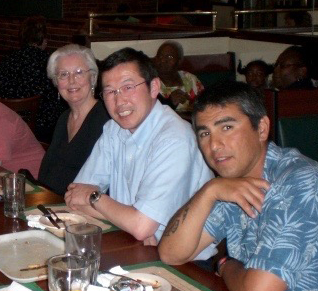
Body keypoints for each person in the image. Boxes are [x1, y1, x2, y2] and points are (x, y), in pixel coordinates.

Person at [158, 81, 318, 291]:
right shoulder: (232, 181)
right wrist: (209, 190)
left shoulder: (300, 181)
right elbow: (171, 253)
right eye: (205, 133)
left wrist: (225, 265)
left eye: (227, 127)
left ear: (262, 128)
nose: (214, 145)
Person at [65, 47, 216, 260]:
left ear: (154, 87)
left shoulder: (174, 138)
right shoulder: (113, 130)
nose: (119, 101)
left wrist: (95, 197)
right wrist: (130, 222)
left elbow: (139, 225)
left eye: (128, 87)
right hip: (135, 246)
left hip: (186, 264)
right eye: (110, 91)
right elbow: (75, 198)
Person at [38, 44, 109, 195]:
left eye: (79, 72)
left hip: (84, 210)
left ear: (93, 78)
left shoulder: (106, 120)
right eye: (63, 74)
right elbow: (47, 171)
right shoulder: (64, 118)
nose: (71, 81)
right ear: (56, 82)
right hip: (52, 204)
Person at [0, 16, 65, 142]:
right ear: (43, 38)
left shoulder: (8, 61)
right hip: (41, 129)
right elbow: (56, 99)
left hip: (8, 124)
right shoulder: (50, 62)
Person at [153, 40, 204, 113]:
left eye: (170, 57)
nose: (163, 60)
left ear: (179, 61)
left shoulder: (190, 79)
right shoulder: (150, 83)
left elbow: (206, 106)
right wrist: (170, 102)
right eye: (160, 56)